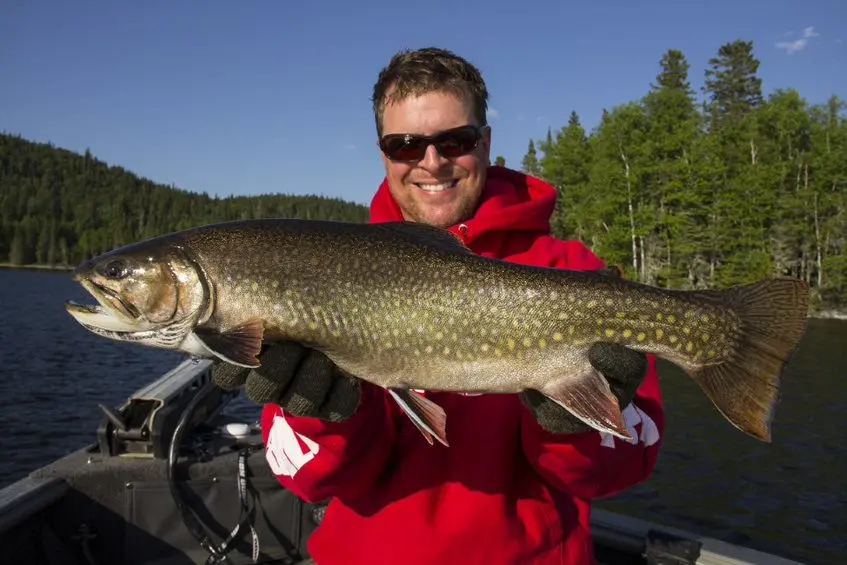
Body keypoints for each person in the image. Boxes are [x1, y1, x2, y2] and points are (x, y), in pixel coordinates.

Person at [213, 47, 664, 565]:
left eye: (455, 140)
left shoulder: (573, 275)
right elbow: (308, 481)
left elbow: (620, 470)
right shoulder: (326, 276)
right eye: (406, 145)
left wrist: (574, 426)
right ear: (384, 154)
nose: (432, 161)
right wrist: (321, 415)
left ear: (486, 143)